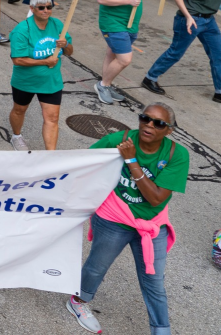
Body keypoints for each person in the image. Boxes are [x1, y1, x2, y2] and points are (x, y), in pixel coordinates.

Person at [66, 103, 188, 335]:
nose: (149, 125)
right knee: (96, 268)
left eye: (158, 123)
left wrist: (131, 161)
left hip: (151, 224)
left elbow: (155, 198)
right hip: (113, 218)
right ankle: (78, 302)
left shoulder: (176, 154)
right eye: (145, 118)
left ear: (169, 130)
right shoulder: (119, 140)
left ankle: (161, 330)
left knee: (154, 282)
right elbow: (83, 163)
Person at [95, 0, 176, 105]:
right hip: (113, 24)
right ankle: (102, 85)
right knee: (124, 59)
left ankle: (107, 84)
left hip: (130, 24)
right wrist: (128, 1)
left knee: (112, 54)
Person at [143, 0, 221, 102]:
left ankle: (219, 91)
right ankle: (150, 78)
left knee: (218, 54)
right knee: (176, 52)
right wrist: (188, 16)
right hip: (190, 19)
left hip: (209, 20)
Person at [8, 0, 73, 151]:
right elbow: (17, 60)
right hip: (26, 81)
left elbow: (70, 52)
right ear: (32, 9)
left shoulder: (57, 25)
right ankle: (16, 136)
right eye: (41, 7)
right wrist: (45, 61)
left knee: (52, 118)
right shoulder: (22, 30)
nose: (46, 10)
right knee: (19, 110)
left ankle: (50, 155)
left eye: (49, 7)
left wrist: (65, 45)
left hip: (51, 81)